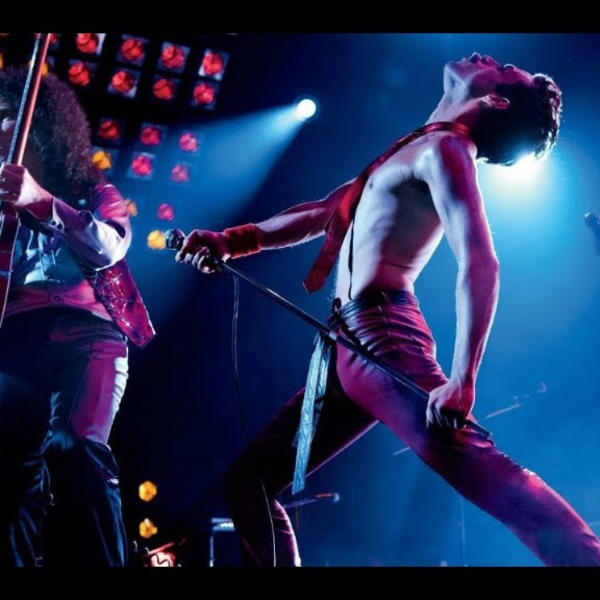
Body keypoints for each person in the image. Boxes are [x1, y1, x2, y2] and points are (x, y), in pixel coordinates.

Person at [175, 53, 600, 566]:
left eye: (505, 69)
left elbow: (480, 261)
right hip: (343, 345)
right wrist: (230, 240)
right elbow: (322, 213)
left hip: (383, 335)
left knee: (482, 470)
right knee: (251, 480)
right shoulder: (414, 146)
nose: (490, 57)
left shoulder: (446, 149)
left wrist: (463, 379)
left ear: (496, 99)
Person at [0, 67, 154, 566]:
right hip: (15, 340)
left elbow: (110, 247)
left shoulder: (92, 189)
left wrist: (40, 201)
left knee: (75, 447)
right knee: (8, 476)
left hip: (88, 335)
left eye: (5, 116)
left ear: (41, 126)